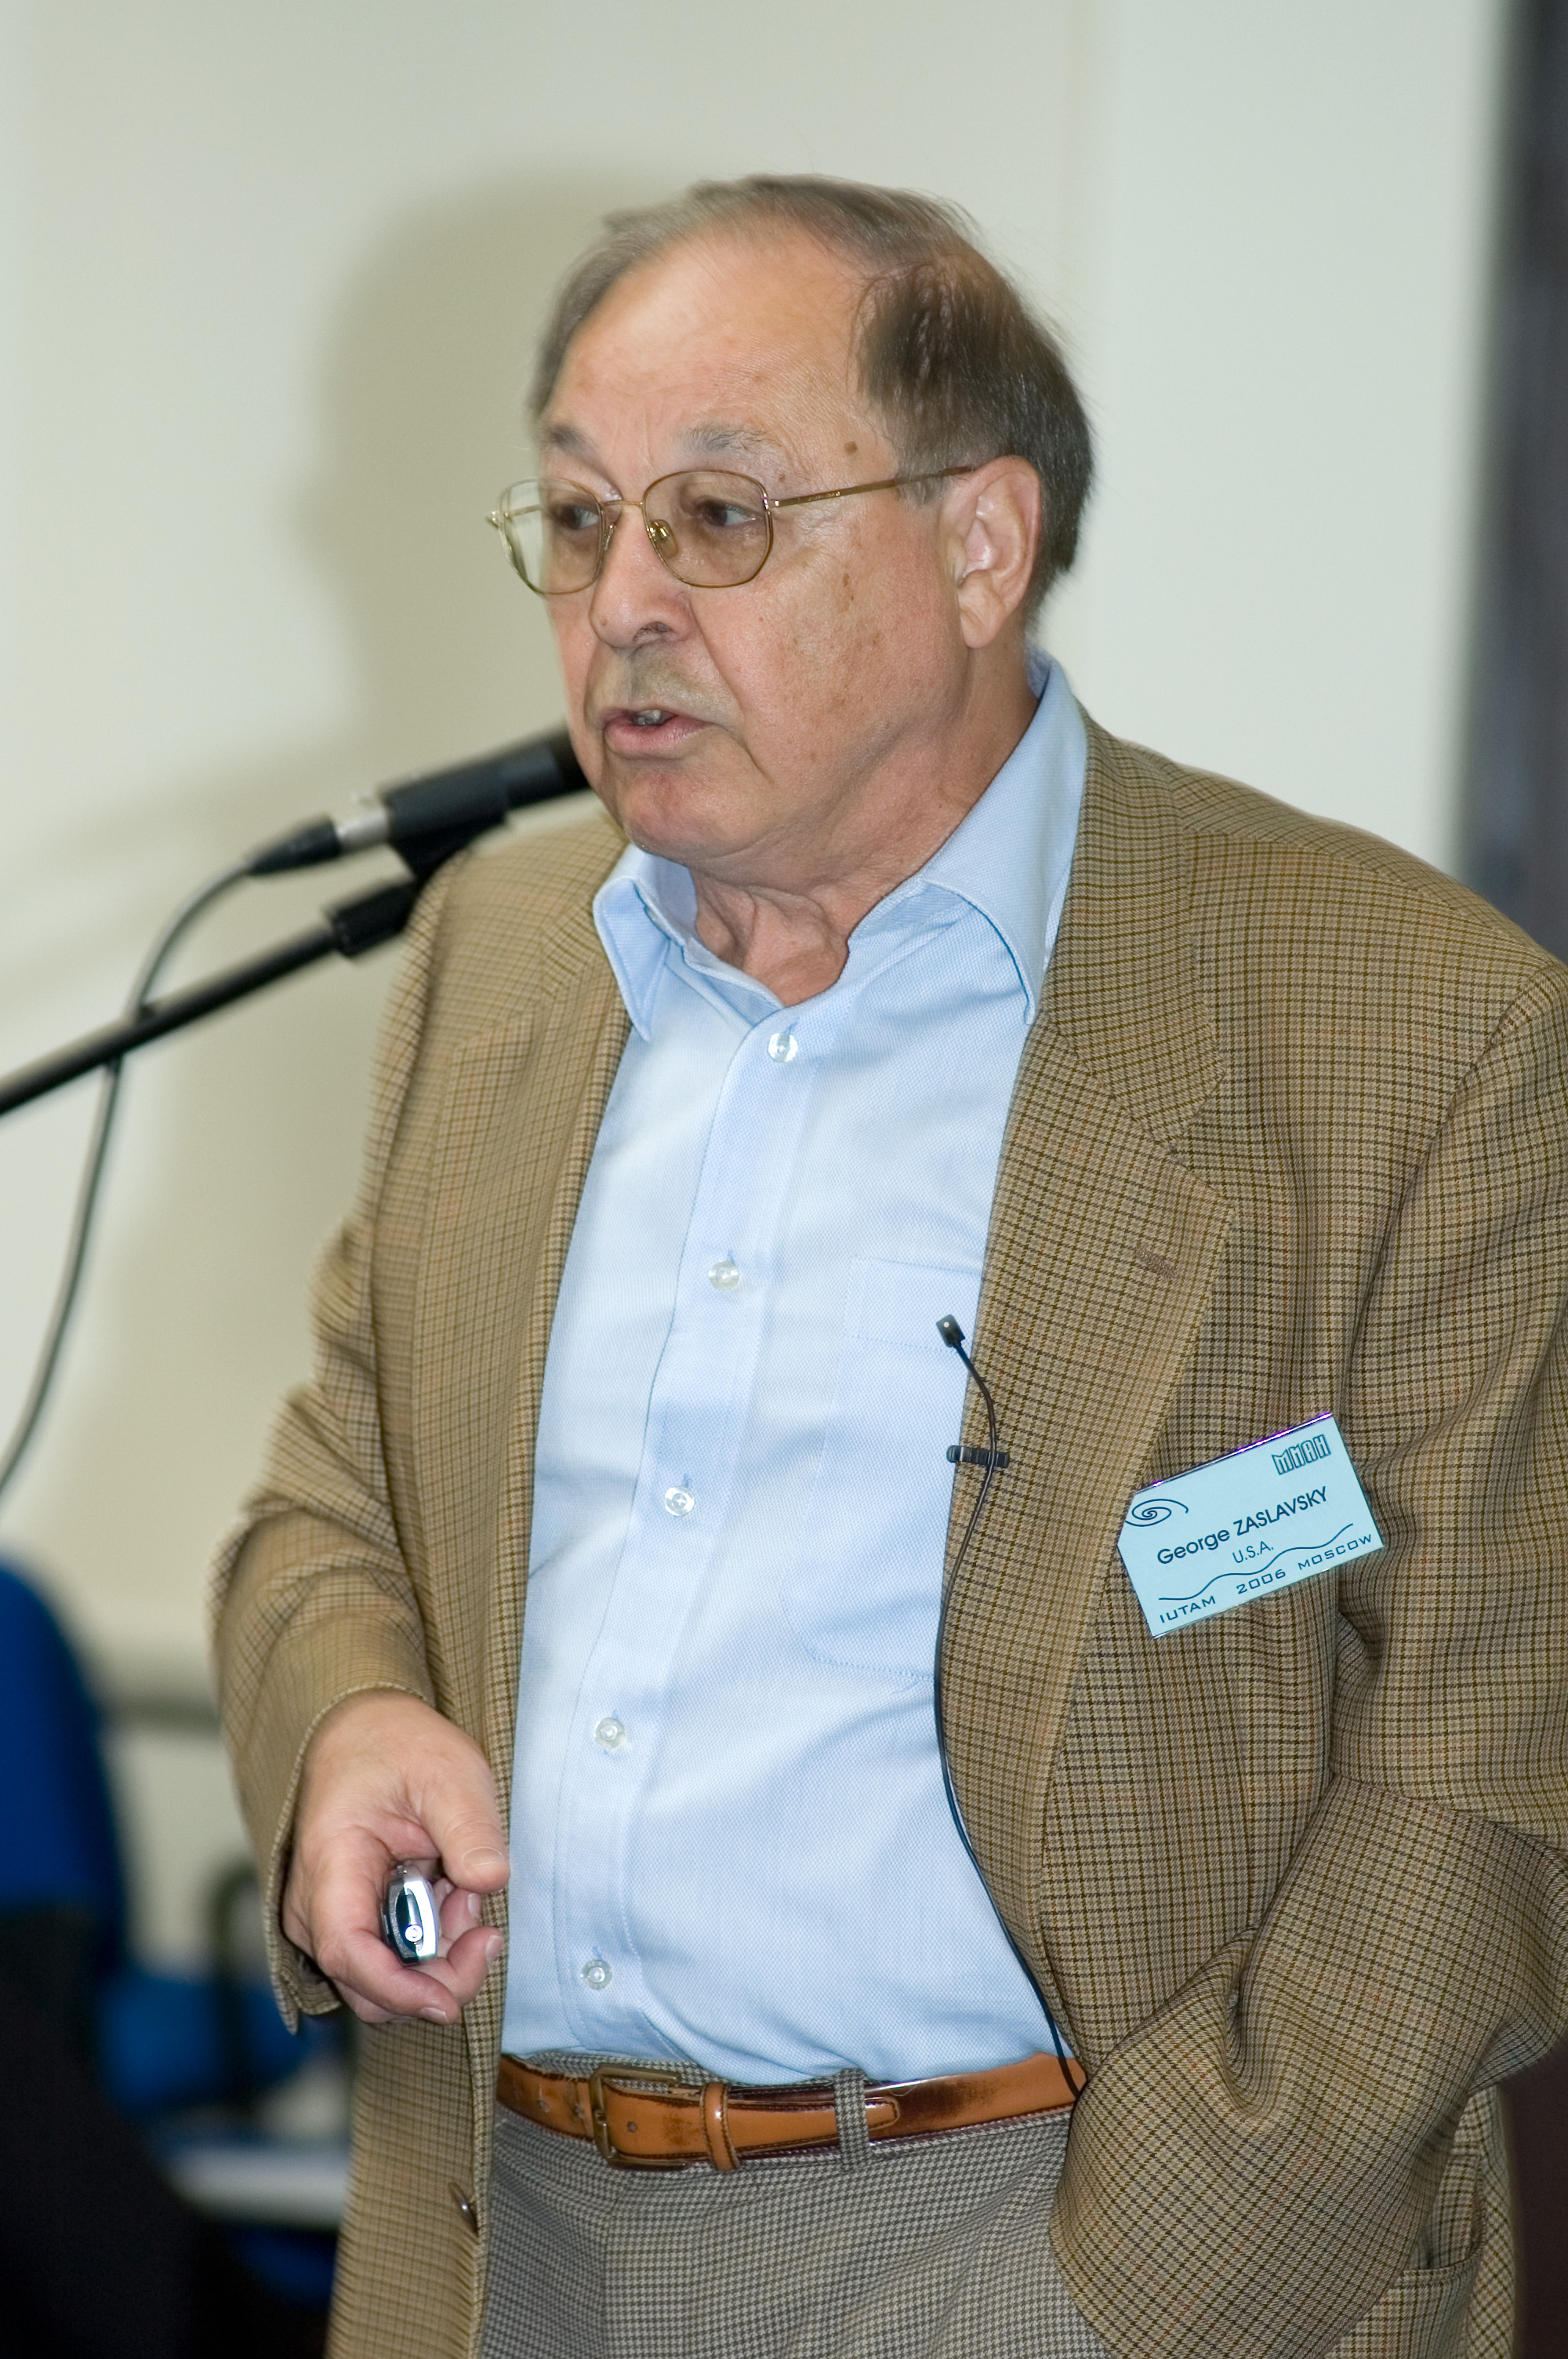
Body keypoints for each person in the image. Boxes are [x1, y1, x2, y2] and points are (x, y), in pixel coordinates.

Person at [212, 176, 1568, 2359]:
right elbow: (331, 1496)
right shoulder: (499, 959)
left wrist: (1111, 2291)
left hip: (1081, 2244)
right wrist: (350, 1711)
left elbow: (1489, 1762)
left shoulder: (1406, 1023)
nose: (623, 604)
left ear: (979, 545)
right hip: (496, 2234)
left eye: (718, 518)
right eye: (580, 520)